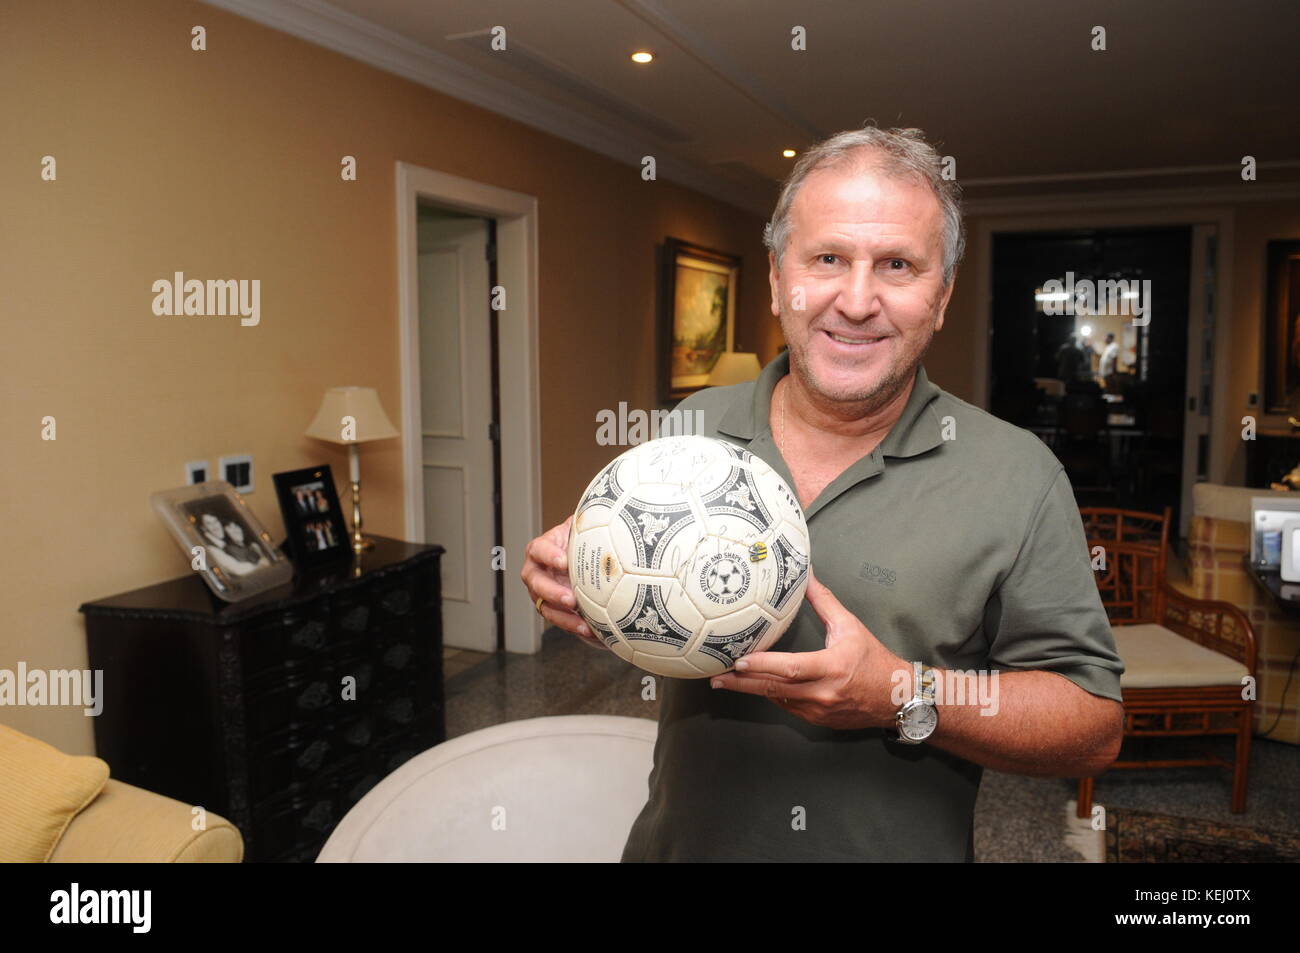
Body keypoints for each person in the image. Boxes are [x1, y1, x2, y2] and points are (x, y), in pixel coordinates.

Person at [521, 124, 1124, 862]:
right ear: (779, 279)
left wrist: (903, 693)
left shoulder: (1018, 476)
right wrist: (582, 576)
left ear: (940, 296)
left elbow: (1093, 726)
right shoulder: (692, 426)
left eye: (898, 264)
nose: (857, 299)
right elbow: (655, 613)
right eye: (828, 258)